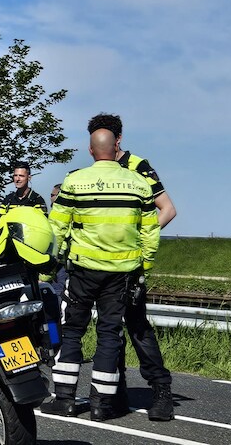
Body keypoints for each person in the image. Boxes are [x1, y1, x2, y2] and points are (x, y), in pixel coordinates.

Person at [43, 128, 160, 422]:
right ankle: (101, 405)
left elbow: (57, 227)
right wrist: (143, 266)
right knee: (109, 334)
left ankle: (65, 400)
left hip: (82, 271)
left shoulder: (75, 181)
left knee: (71, 331)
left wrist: (50, 265)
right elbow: (150, 231)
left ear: (91, 150)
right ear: (115, 149)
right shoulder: (138, 183)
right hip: (121, 274)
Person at [87, 113, 176, 421]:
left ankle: (161, 392)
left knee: (137, 327)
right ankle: (118, 393)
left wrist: (140, 241)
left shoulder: (138, 166)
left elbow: (168, 209)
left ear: (118, 140)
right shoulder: (98, 170)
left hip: (130, 266)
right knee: (110, 330)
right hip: (101, 265)